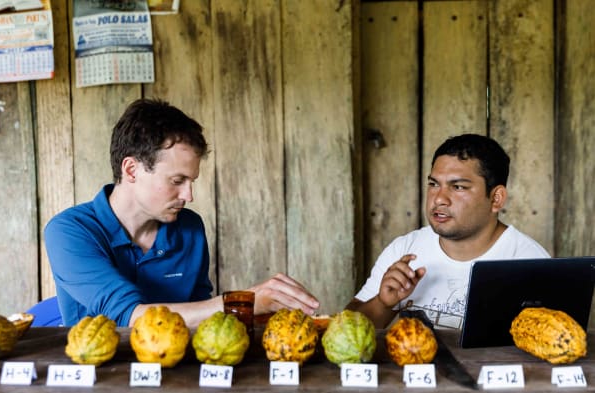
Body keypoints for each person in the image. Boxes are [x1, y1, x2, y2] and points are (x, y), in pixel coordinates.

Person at [44, 98, 319, 328]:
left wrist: (266, 314)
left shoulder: (190, 228)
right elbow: (128, 316)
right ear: (131, 170)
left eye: (192, 182)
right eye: (177, 181)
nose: (188, 196)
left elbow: (201, 312)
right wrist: (240, 303)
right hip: (99, 378)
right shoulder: (69, 231)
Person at [346, 134, 549, 330]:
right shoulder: (406, 250)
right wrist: (382, 302)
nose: (439, 198)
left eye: (458, 187)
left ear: (496, 199)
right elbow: (346, 332)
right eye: (434, 184)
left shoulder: (530, 261)